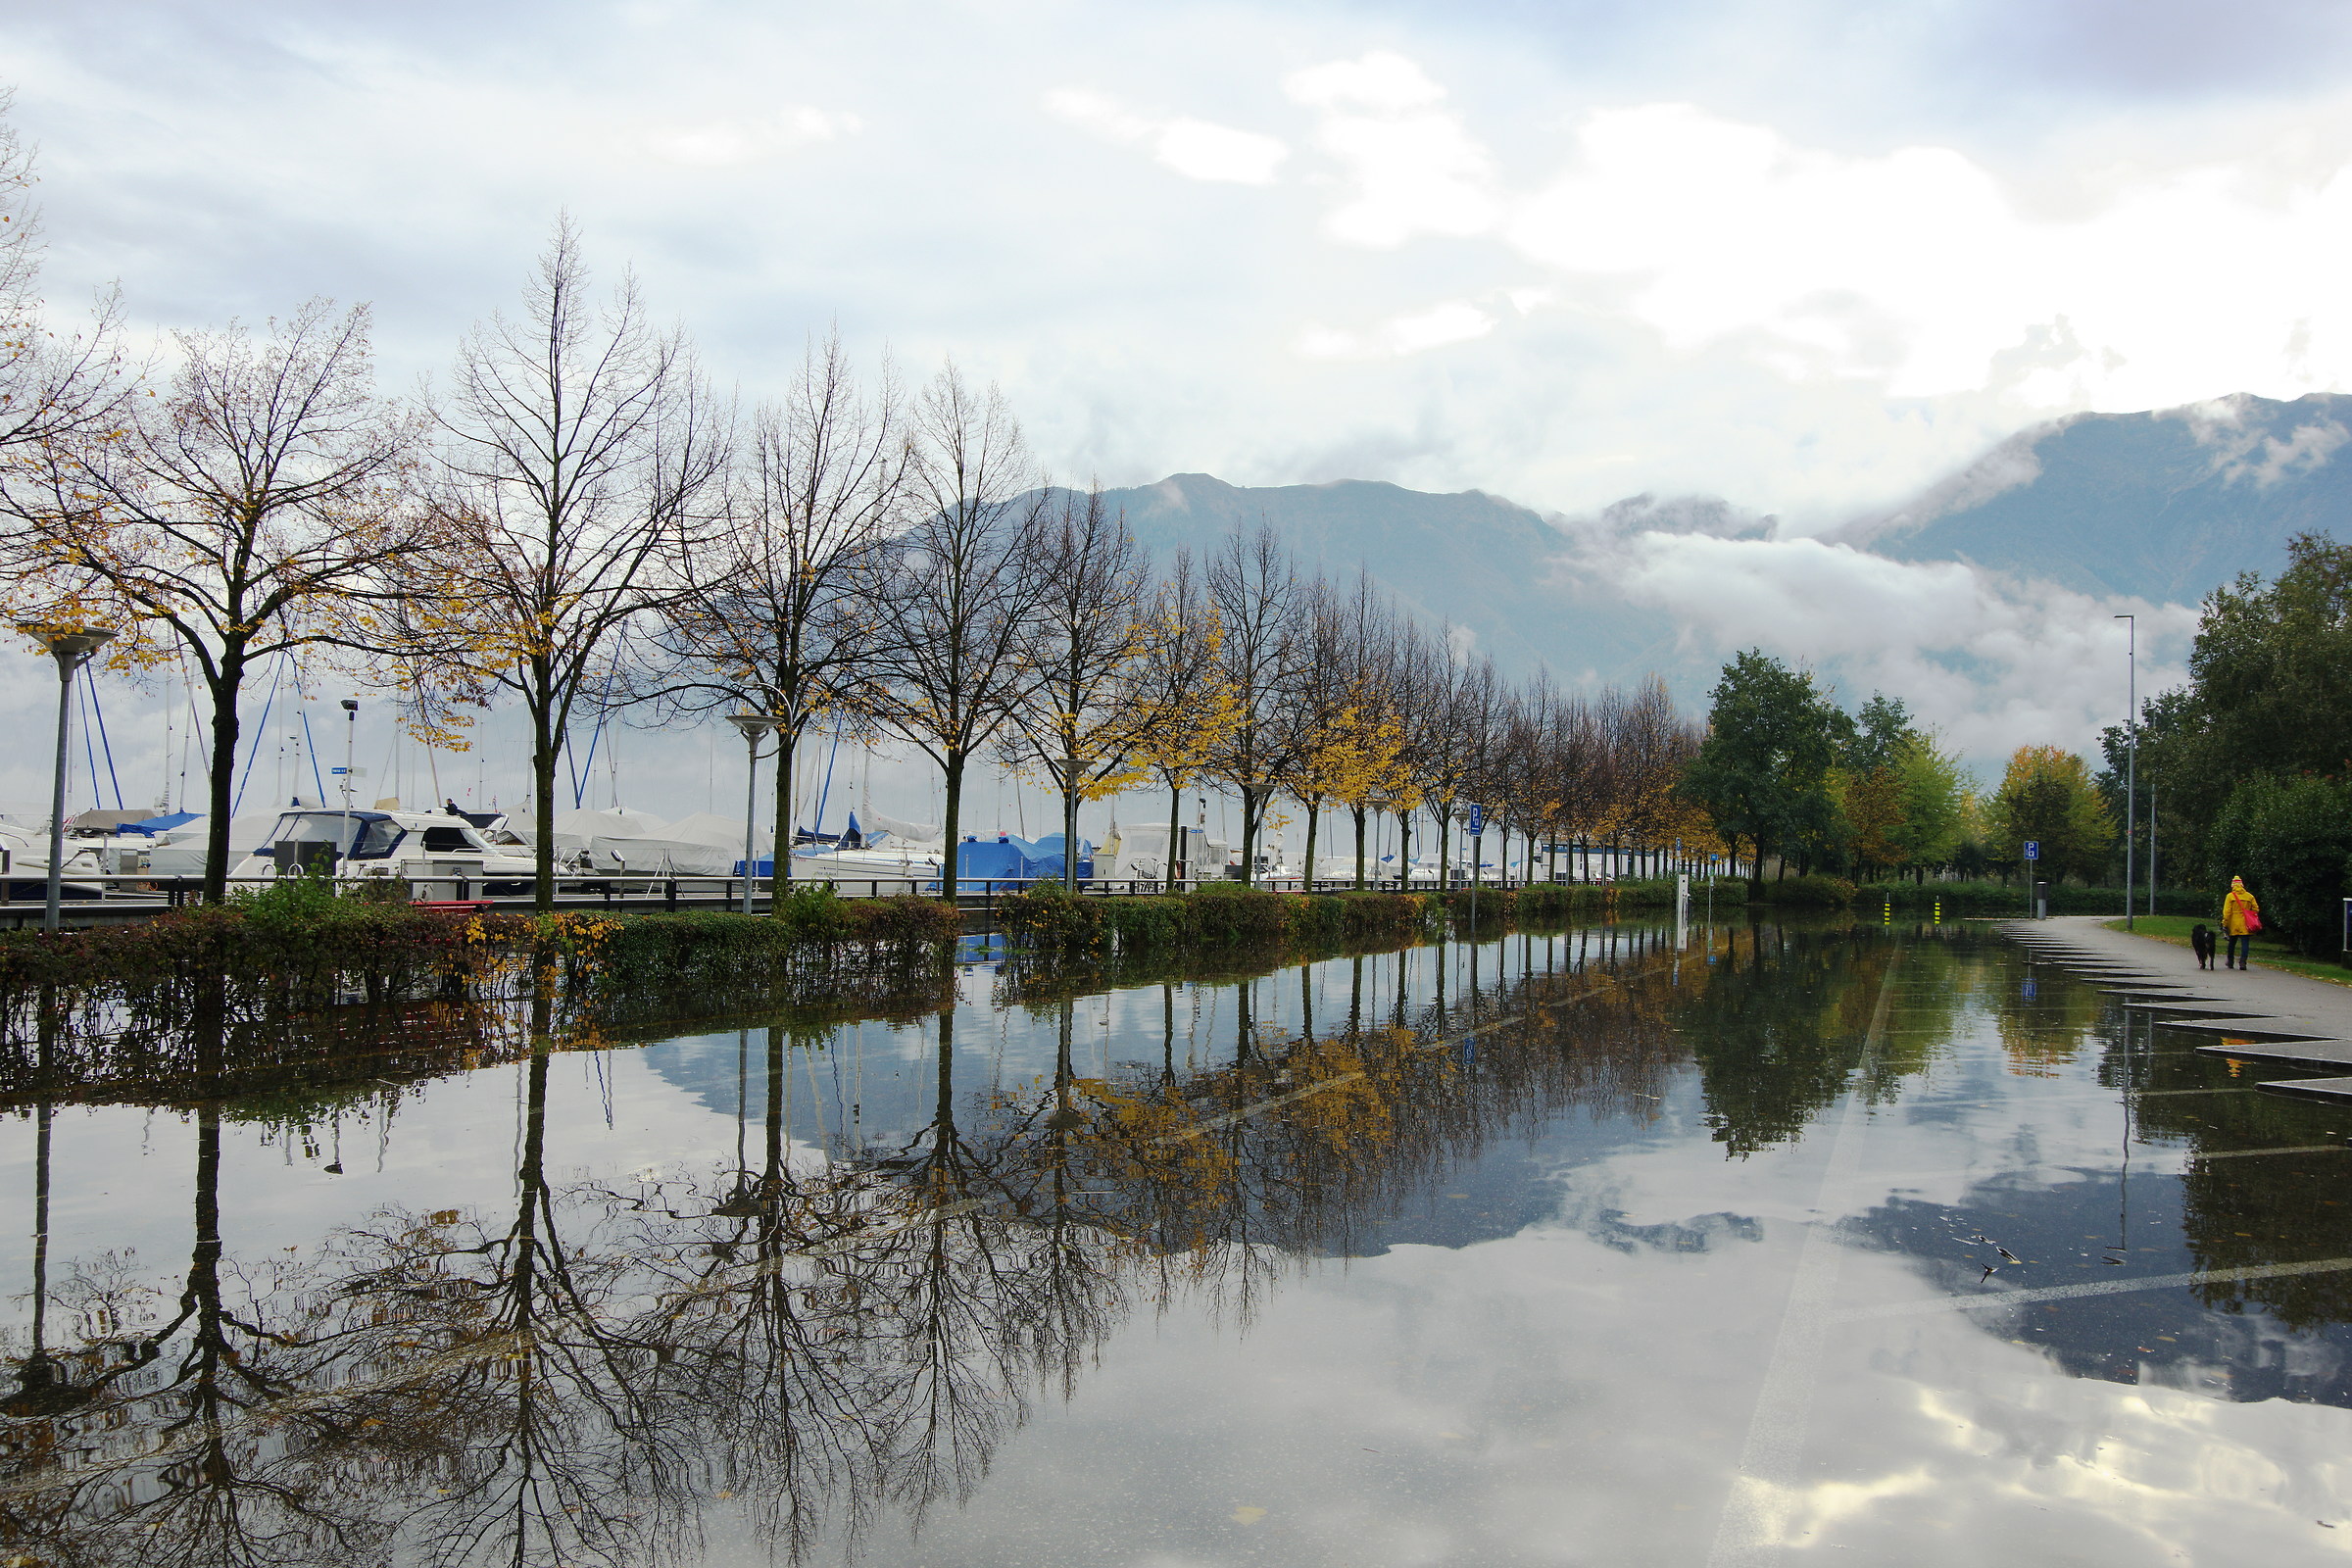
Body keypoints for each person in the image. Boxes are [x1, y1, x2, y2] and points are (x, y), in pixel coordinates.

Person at [2221, 875, 2262, 970]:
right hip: (2245, 922)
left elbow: (2227, 912)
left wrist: (2225, 923)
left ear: (2233, 885)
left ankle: (2230, 961)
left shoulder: (2230, 896)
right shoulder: (2249, 896)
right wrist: (2248, 913)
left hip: (2233, 922)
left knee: (2232, 942)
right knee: (2245, 943)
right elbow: (2256, 909)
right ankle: (2243, 962)